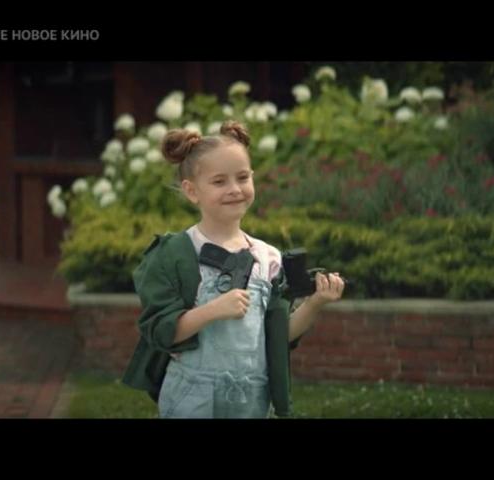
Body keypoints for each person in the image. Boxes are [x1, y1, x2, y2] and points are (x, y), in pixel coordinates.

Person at [122, 120, 344, 418]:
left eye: (242, 177)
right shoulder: (175, 253)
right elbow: (162, 332)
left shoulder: (267, 258)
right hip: (193, 397)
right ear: (192, 191)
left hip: (251, 400)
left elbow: (279, 336)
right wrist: (213, 310)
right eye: (219, 182)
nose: (235, 189)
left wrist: (316, 303)